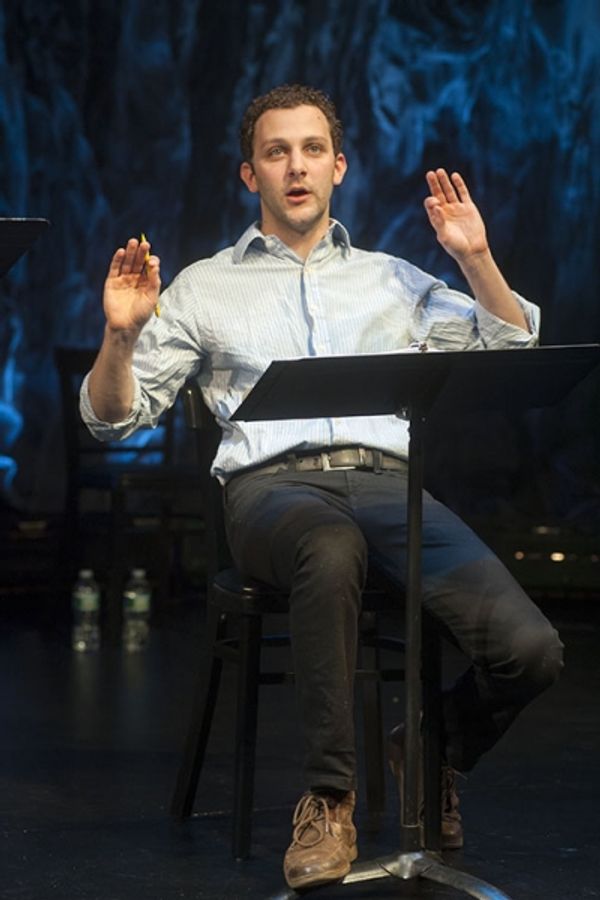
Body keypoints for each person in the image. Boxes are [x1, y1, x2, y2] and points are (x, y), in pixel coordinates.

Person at [81, 84, 564, 891]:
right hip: (273, 496)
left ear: (338, 167)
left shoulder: (393, 279)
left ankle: (431, 749)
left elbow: (511, 347)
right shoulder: (203, 286)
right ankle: (330, 799)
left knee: (531, 650)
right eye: (276, 153)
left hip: (388, 490)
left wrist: (475, 257)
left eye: (311, 150)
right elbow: (112, 421)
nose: (295, 167)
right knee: (328, 546)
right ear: (250, 176)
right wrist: (120, 339)